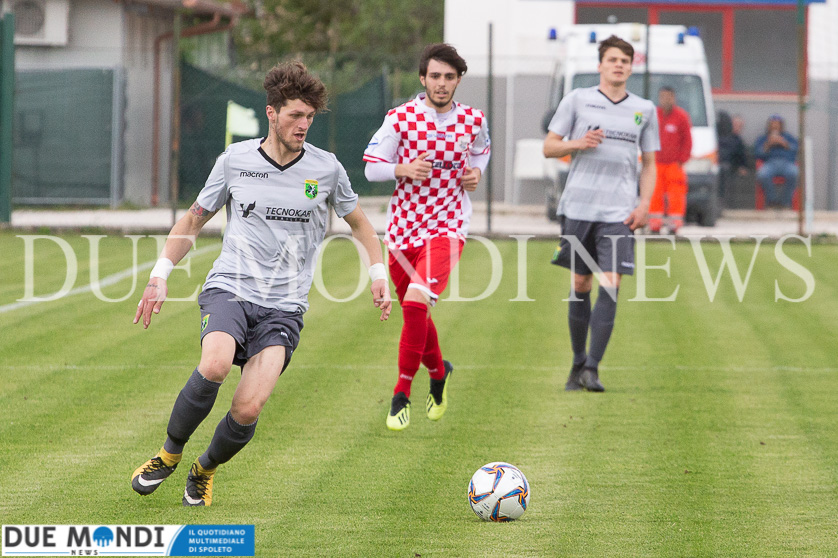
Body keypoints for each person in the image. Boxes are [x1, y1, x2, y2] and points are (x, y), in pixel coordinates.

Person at [130, 61, 391, 506]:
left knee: (248, 407)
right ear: (272, 113)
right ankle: (168, 455)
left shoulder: (326, 169)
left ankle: (204, 468)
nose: (303, 125)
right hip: (230, 287)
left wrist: (378, 274)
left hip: (284, 306)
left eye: (310, 117)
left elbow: (361, 225)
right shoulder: (235, 161)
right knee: (215, 364)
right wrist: (159, 276)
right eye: (295, 115)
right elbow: (193, 220)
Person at [363, 43, 490, 430]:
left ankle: (401, 394)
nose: (441, 83)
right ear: (423, 78)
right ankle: (438, 372)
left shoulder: (473, 120)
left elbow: (482, 152)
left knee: (417, 303)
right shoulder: (401, 118)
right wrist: (402, 169)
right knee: (415, 311)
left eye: (449, 77)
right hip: (403, 230)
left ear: (458, 80)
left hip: (448, 226)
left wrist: (476, 173)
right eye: (435, 76)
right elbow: (371, 168)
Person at [542, 35, 659, 393]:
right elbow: (549, 147)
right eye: (612, 59)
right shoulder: (578, 99)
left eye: (625, 60)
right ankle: (578, 361)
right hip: (579, 207)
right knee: (581, 284)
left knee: (611, 283)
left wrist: (644, 204)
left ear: (631, 67)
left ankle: (592, 368)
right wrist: (578, 143)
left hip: (619, 212)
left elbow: (650, 163)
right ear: (600, 65)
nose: (619, 65)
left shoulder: (644, 109)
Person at [649, 86, 691, 234]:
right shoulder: (654, 115)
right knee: (654, 194)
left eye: (668, 97)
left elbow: (687, 140)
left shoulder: (681, 117)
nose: (665, 100)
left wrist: (682, 160)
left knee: (676, 195)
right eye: (662, 97)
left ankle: (674, 226)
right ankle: (654, 225)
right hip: (656, 163)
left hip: (674, 165)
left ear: (673, 98)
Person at [754, 114, 799, 208]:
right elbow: (757, 153)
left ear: (781, 125)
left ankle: (785, 203)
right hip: (770, 163)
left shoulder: (788, 137)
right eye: (772, 124)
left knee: (794, 173)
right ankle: (772, 201)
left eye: (777, 124)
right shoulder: (763, 138)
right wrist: (768, 144)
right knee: (762, 174)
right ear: (769, 126)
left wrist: (784, 143)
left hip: (787, 163)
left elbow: (796, 149)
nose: (775, 126)